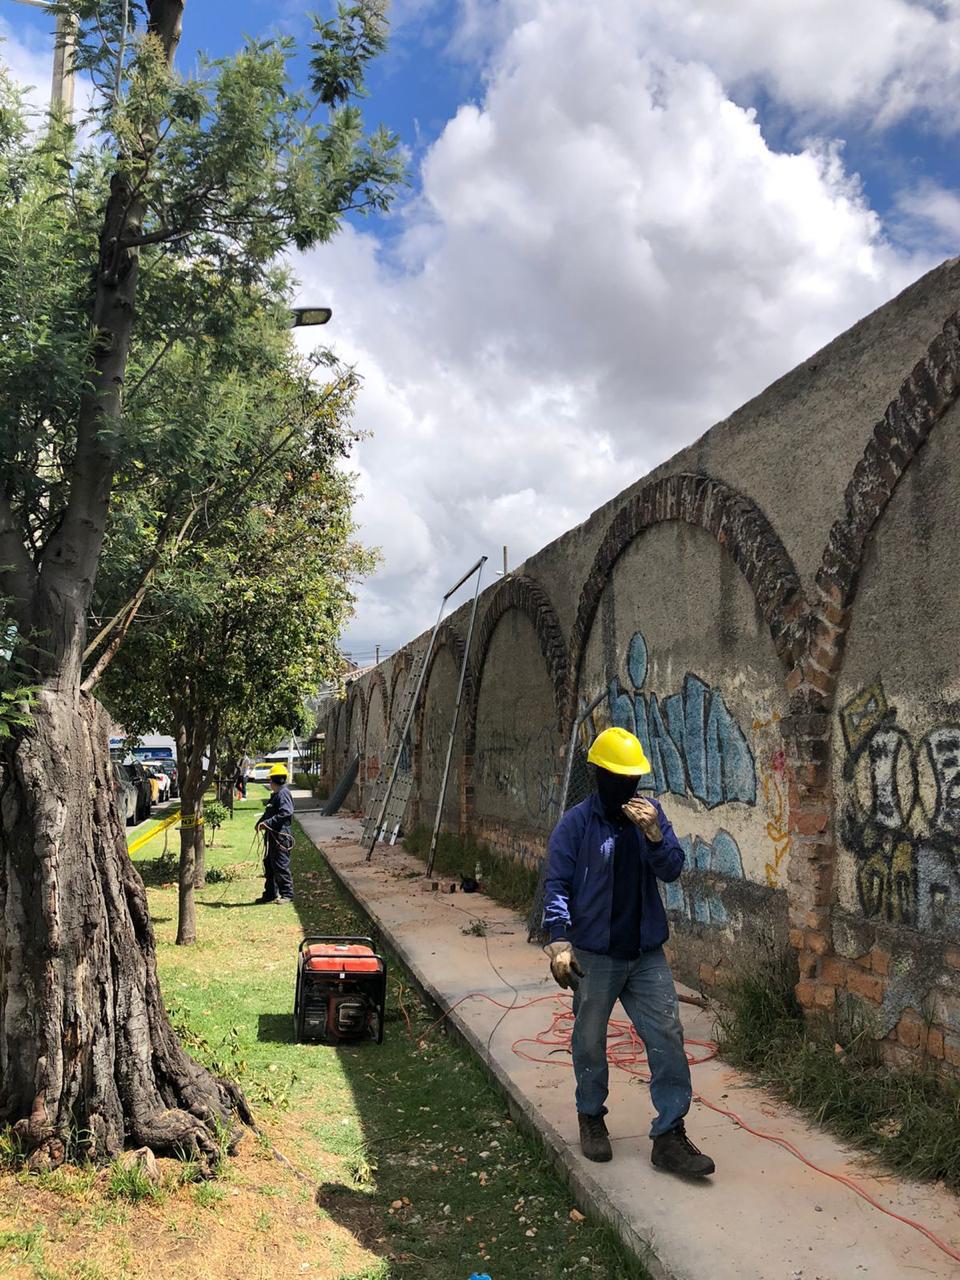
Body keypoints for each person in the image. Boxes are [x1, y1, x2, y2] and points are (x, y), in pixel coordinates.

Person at [542, 726, 715, 1178]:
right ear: (599, 774)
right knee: (589, 1039)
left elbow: (673, 870)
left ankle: (669, 1135)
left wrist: (656, 836)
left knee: (667, 1036)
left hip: (645, 953)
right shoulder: (576, 824)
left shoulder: (650, 815)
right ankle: (591, 1116)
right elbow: (556, 884)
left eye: (633, 777)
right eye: (617, 776)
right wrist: (559, 942)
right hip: (595, 955)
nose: (627, 786)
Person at [256, 763, 295, 904]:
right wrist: (260, 823)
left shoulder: (284, 794)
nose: (269, 782)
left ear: (277, 780)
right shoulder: (275, 795)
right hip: (272, 837)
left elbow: (286, 812)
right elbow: (268, 812)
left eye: (271, 780)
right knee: (269, 864)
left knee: (280, 865)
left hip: (281, 837)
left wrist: (268, 823)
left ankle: (287, 894)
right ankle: (270, 893)